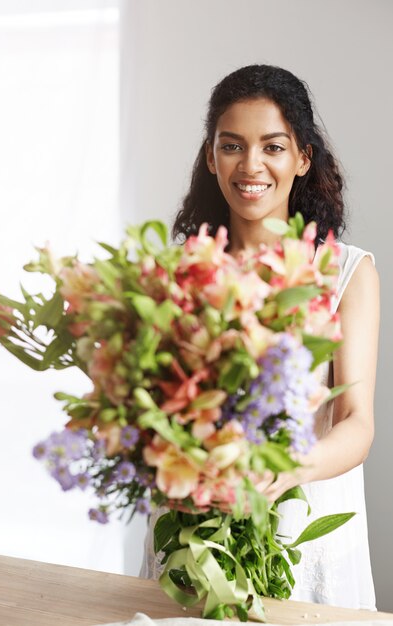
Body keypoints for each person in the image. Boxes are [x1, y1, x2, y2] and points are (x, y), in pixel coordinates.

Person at [140, 64, 380, 610]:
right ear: (210, 156)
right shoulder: (175, 273)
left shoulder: (347, 273)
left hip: (301, 532)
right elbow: (150, 408)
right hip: (194, 535)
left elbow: (356, 423)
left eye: (273, 147)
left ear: (303, 158)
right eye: (232, 146)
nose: (251, 166)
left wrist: (280, 474)